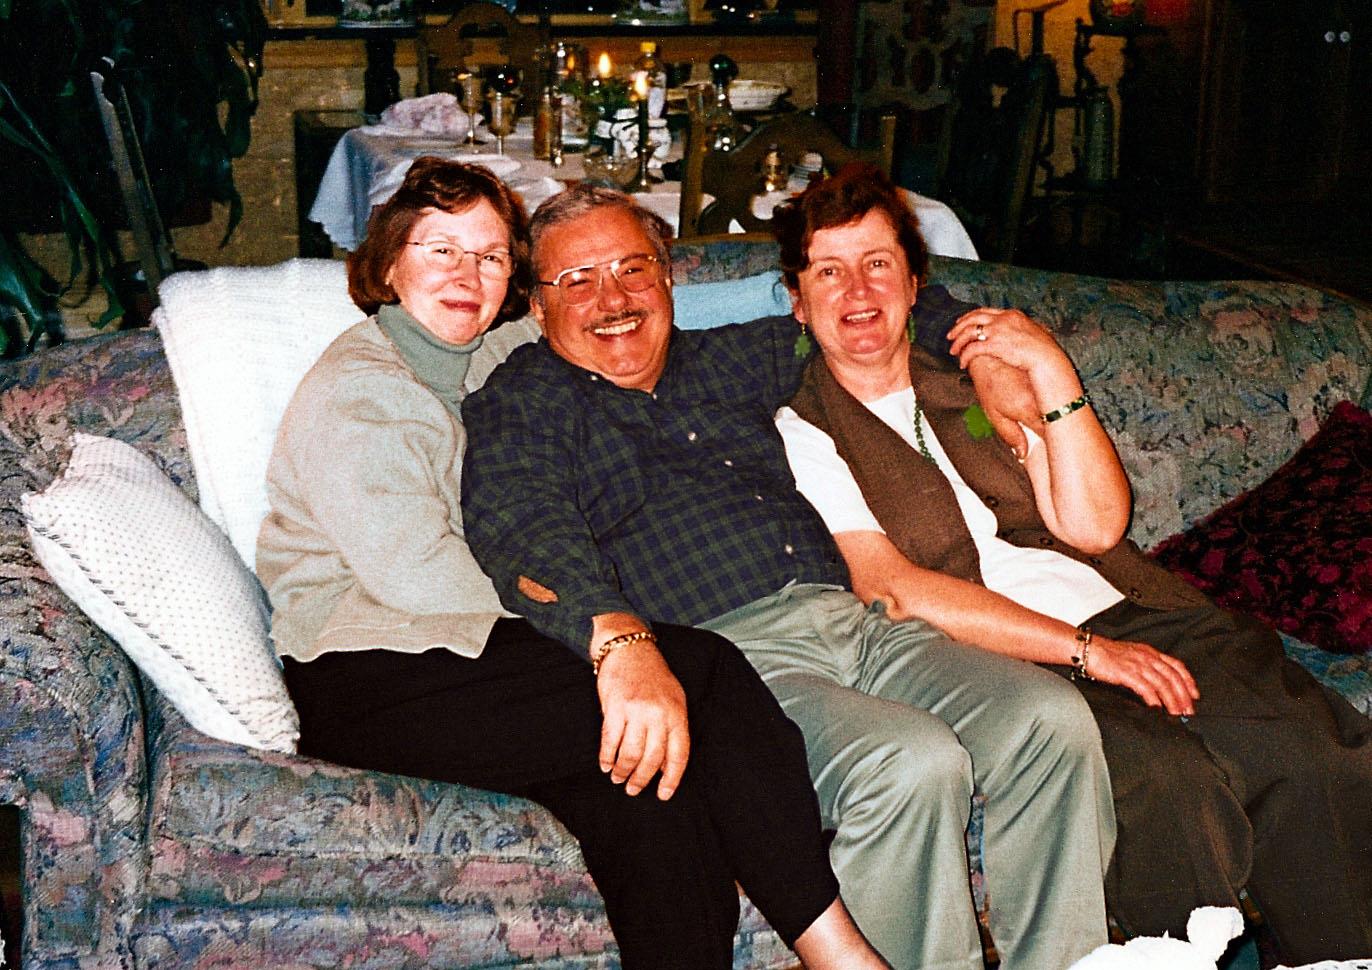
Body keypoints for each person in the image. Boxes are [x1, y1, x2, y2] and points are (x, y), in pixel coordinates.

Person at [460, 182, 1117, 970]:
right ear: (537, 306)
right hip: (727, 662)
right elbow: (521, 525)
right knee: (909, 763)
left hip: (861, 624)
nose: (614, 298)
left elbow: (871, 316)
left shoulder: (741, 356)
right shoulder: (526, 397)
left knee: (1051, 720)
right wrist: (617, 639)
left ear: (669, 278)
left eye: (634, 269)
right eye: (578, 281)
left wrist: (992, 361)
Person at [256, 157, 889, 970]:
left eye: (488, 256)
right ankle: (838, 953)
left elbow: (689, 310)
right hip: (377, 672)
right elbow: (421, 580)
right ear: (385, 266)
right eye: (440, 250)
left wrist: (907, 310)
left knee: (650, 789)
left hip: (471, 659)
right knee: (701, 671)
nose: (466, 274)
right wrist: (604, 636)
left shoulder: (486, 349)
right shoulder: (359, 393)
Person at [770, 162, 1372, 964]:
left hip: (1133, 607)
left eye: (879, 264)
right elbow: (895, 589)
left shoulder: (974, 382)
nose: (859, 292)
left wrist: (1049, 369)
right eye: (829, 271)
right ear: (796, 299)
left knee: (1310, 745)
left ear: (916, 284)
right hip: (1004, 659)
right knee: (1165, 782)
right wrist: (1090, 653)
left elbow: (1093, 528)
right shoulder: (800, 428)